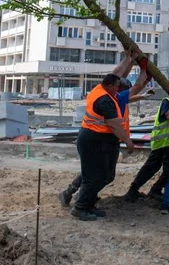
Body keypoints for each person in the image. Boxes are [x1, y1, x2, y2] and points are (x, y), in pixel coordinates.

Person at [60, 51, 146, 221]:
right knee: (95, 176)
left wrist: (129, 59)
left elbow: (117, 73)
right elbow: (114, 124)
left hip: (103, 140)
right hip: (94, 140)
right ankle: (80, 207)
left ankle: (87, 202)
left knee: (104, 175)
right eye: (117, 87)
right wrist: (129, 142)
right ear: (111, 87)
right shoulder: (105, 100)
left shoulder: (105, 90)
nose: (119, 89)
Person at [124, 83, 169, 202]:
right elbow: (168, 115)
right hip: (162, 142)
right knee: (158, 168)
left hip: (166, 143)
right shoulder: (167, 102)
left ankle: (148, 190)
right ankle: (139, 190)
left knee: (159, 168)